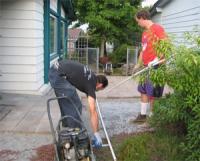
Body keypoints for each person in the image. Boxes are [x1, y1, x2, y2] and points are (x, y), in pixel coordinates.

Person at [48, 59, 108, 148]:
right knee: (74, 104)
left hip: (56, 68)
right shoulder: (91, 85)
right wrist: (96, 133)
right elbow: (93, 111)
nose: (98, 91)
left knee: (69, 100)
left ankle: (66, 125)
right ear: (100, 85)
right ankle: (75, 136)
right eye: (100, 89)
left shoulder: (91, 75)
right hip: (57, 75)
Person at [133, 10, 166, 123]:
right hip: (145, 66)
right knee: (143, 90)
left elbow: (164, 45)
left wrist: (157, 60)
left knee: (154, 93)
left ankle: (152, 117)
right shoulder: (144, 33)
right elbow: (143, 51)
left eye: (138, 21)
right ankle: (143, 115)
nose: (138, 24)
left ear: (142, 18)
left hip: (156, 67)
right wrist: (138, 64)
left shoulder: (157, 28)